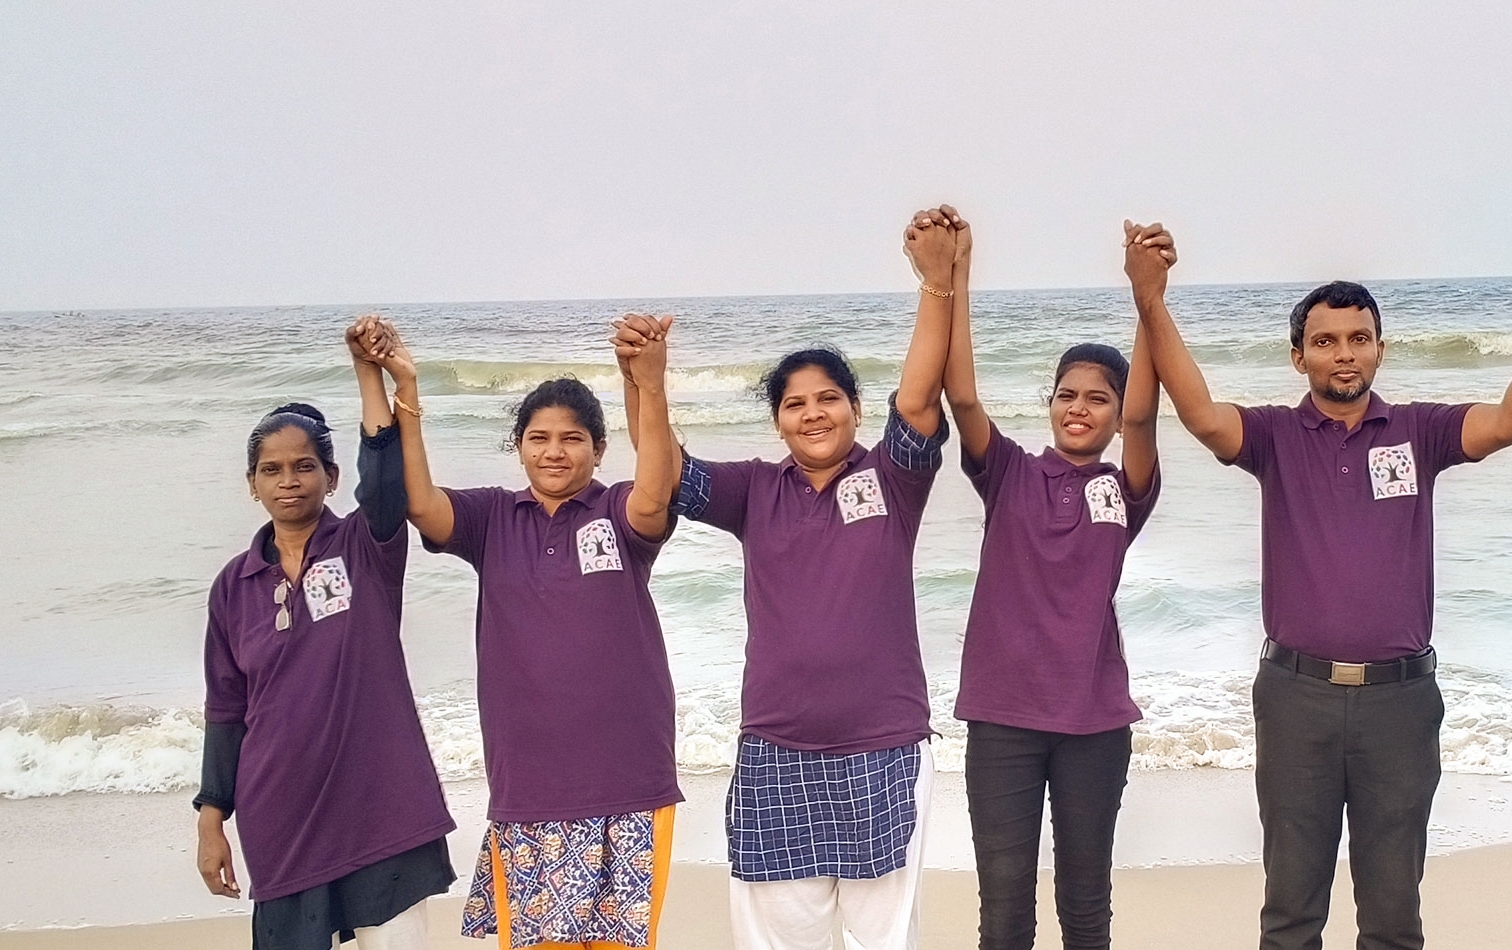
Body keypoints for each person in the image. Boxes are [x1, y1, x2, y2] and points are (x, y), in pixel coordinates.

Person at [1140, 231, 1512, 950]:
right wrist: (1151, 299)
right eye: (1325, 341)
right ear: (1299, 357)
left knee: (1392, 915)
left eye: (1359, 339)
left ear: (1381, 349)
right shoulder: (1273, 437)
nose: (1344, 353)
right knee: (1290, 912)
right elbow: (1200, 414)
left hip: (1400, 703)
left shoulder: (1419, 431)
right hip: (1296, 700)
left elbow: (1510, 421)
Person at [662, 208, 959, 950]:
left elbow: (919, 400)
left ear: (856, 408)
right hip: (775, 747)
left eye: (828, 398)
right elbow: (667, 477)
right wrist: (646, 381)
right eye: (794, 404)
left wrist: (935, 282)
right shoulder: (754, 490)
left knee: (883, 941)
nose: (812, 413)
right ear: (778, 423)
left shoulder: (892, 478)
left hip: (885, 746)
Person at [370, 311, 687, 949]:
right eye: (538, 438)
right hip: (529, 782)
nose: (553, 451)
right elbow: (421, 503)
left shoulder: (619, 512)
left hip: (630, 774)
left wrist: (649, 384)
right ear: (519, 446)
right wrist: (405, 388)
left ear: (599, 449)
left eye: (572, 439)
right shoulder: (492, 517)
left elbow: (657, 489)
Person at [943, 217, 1170, 950]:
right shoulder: (1010, 472)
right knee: (1005, 911)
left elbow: (1147, 414)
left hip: (1094, 723)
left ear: (1117, 416)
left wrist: (1146, 295)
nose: (1079, 407)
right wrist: (956, 274)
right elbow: (962, 399)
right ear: (1049, 403)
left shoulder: (1125, 488)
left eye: (1098, 399)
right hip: (1001, 718)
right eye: (1066, 394)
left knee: (1086, 906)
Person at [192, 316, 455, 950]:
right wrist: (210, 819)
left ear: (331, 478)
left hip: (380, 803)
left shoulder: (366, 547)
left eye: (305, 466)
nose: (289, 479)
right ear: (252, 485)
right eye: (272, 470)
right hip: (282, 816)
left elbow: (385, 480)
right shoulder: (233, 586)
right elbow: (226, 710)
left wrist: (370, 373)